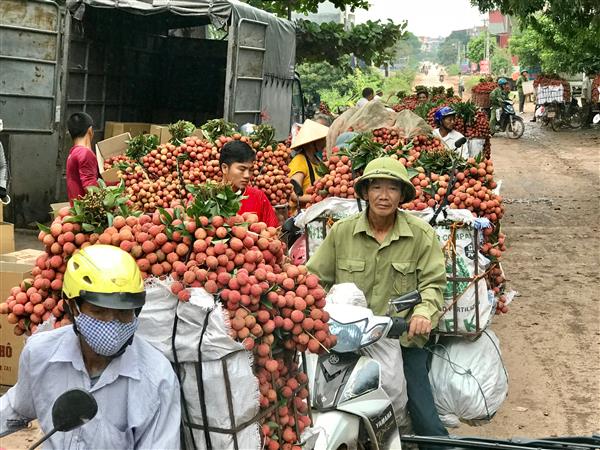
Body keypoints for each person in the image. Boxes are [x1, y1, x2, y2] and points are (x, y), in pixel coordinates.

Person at [306, 157, 448, 449]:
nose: (384, 196)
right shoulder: (342, 232)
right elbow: (314, 279)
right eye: (377, 187)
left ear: (402, 195)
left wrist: (422, 314)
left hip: (402, 338)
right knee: (312, 405)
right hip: (344, 341)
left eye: (392, 189)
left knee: (424, 417)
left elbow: (433, 285)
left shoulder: (421, 236)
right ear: (366, 192)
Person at [0, 245, 181, 449]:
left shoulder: (157, 378)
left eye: (124, 313)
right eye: (99, 311)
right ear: (71, 307)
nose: (112, 323)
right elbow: (17, 409)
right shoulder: (40, 354)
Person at [220, 140, 280, 228]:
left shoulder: (258, 197)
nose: (247, 175)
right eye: (241, 169)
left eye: (251, 170)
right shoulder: (205, 198)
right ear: (225, 168)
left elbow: (273, 233)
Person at [288, 119, 329, 211]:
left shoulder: (317, 160)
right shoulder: (299, 161)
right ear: (312, 142)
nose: (325, 142)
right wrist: (319, 199)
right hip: (302, 216)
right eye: (322, 139)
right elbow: (294, 195)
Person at [66, 112, 99, 204]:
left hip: (77, 208)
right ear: (90, 130)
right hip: (86, 213)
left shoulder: (73, 152)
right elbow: (90, 187)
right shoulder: (85, 153)